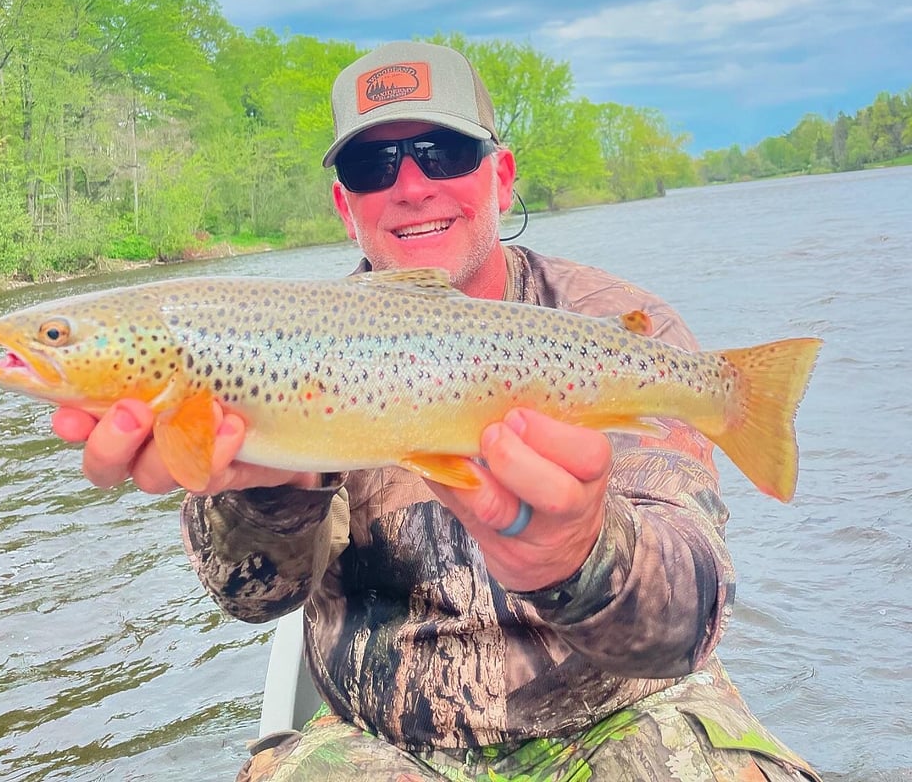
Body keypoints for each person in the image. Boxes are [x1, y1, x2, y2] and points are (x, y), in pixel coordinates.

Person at [53, 41, 822, 781]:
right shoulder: (272, 343)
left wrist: (582, 555)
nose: (411, 185)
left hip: (623, 718)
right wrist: (272, 486)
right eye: (372, 164)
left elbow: (690, 621)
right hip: (383, 743)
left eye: (444, 152)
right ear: (344, 204)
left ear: (502, 176)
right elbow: (252, 598)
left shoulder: (618, 325)